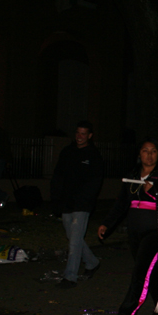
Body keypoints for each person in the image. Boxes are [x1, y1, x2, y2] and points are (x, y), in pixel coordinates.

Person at [99, 139, 158, 315]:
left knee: (139, 274)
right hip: (135, 232)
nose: (149, 155)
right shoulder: (132, 176)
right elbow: (121, 204)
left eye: (153, 151)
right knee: (149, 274)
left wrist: (155, 191)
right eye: (145, 151)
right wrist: (106, 224)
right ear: (139, 154)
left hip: (155, 232)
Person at [50, 121, 104, 288]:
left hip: (82, 203)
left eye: (83, 133)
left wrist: (86, 199)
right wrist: (56, 198)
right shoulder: (67, 152)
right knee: (73, 236)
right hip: (66, 201)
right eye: (77, 133)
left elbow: (95, 181)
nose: (79, 136)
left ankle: (70, 276)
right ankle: (92, 262)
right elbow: (58, 176)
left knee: (74, 241)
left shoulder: (93, 155)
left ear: (89, 136)